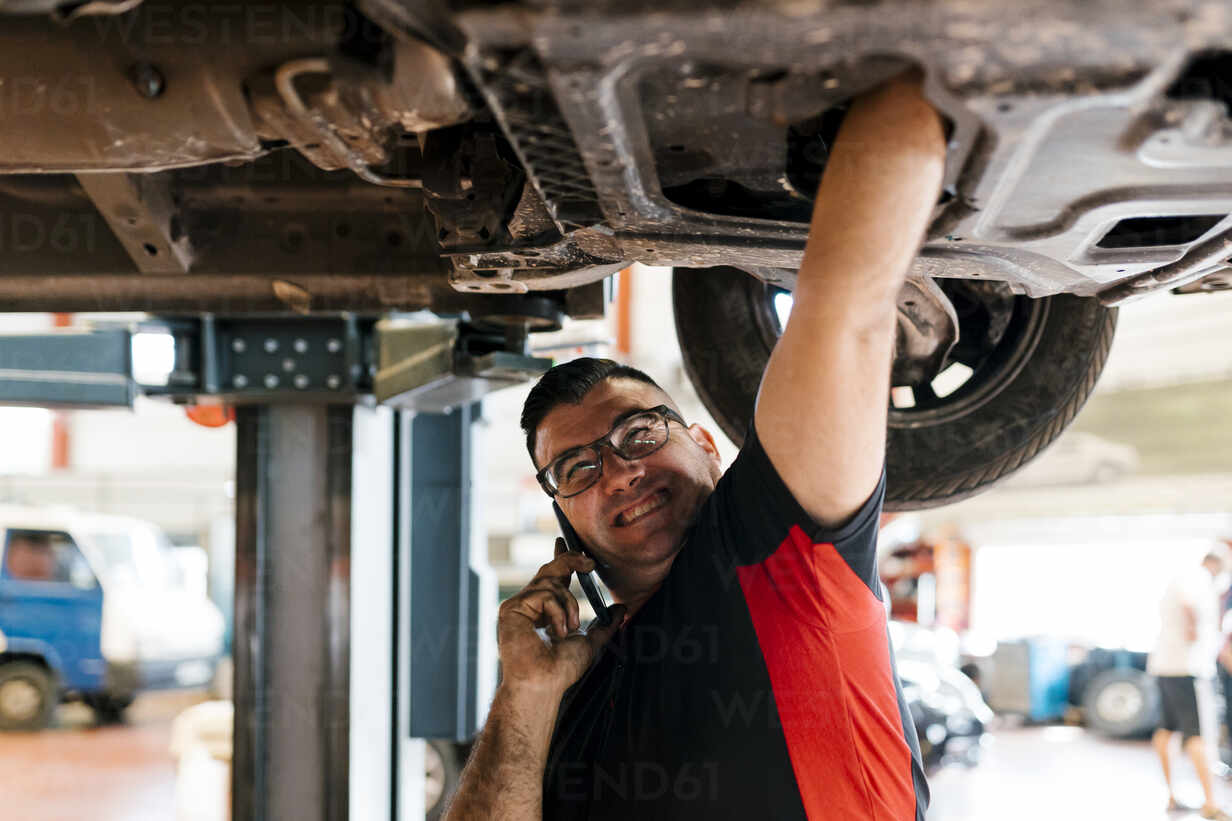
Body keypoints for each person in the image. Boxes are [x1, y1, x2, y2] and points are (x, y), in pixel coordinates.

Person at [443, 72, 945, 820]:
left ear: (707, 445)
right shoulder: (566, 696)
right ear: (564, 530)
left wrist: (908, 83)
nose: (618, 469)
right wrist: (527, 692)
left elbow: (850, 312)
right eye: (577, 467)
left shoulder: (778, 547)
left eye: (639, 431)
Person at [1149, 550, 1230, 820]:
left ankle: (1172, 795)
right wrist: (1193, 630)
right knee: (1198, 735)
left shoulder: (1183, 577)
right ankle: (1210, 803)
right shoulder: (1199, 579)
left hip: (1165, 666)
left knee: (1166, 729)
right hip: (1187, 668)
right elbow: (1188, 604)